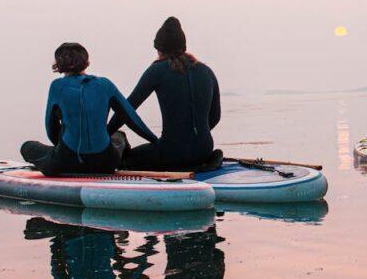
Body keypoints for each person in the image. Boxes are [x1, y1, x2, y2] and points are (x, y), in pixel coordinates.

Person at [21, 42, 159, 176]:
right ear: (87, 62)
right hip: (105, 163)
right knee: (119, 136)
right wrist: (155, 141)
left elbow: (51, 128)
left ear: (58, 65)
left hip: (66, 162)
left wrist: (61, 148)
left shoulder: (57, 86)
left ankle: (61, 157)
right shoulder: (105, 84)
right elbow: (131, 118)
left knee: (27, 147)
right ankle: (125, 164)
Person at [108, 17, 222, 169]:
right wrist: (193, 137)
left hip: (171, 153)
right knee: (187, 150)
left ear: (159, 48)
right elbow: (215, 117)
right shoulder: (206, 71)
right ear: (184, 46)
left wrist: (105, 133)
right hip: (204, 149)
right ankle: (209, 159)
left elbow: (127, 110)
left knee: (126, 157)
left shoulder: (157, 70)